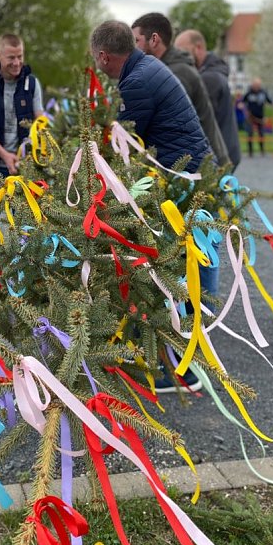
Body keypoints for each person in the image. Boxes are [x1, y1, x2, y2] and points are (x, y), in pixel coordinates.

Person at [90, 20, 211, 393]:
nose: (98, 67)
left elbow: (127, 142)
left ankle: (181, 369)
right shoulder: (147, 67)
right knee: (173, 270)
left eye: (97, 60)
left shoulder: (136, 82)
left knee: (166, 271)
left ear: (106, 56)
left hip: (180, 180)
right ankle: (181, 359)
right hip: (184, 172)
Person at [131, 13, 230, 167]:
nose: (133, 48)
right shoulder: (167, 69)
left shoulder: (177, 73)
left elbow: (169, 128)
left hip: (206, 166)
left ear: (154, 40)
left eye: (137, 41)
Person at [0, 33, 44, 237]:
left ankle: (23, 267)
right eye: (11, 57)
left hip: (24, 165)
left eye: (20, 56)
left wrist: (29, 152)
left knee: (24, 221)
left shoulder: (31, 83)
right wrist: (5, 155)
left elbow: (40, 123)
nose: (17, 62)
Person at [175, 29, 241, 170]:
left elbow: (201, 122)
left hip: (219, 156)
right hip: (227, 150)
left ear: (198, 48)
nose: (180, 56)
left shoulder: (208, 79)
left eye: (183, 51)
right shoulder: (215, 73)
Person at [243, 78, 272, 157]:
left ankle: (262, 151)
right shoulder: (249, 93)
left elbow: (270, 101)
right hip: (250, 117)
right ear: (252, 85)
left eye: (258, 85)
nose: (256, 86)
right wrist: (241, 107)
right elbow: (242, 101)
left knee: (261, 134)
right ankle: (250, 152)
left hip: (260, 117)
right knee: (250, 134)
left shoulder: (263, 93)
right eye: (255, 85)